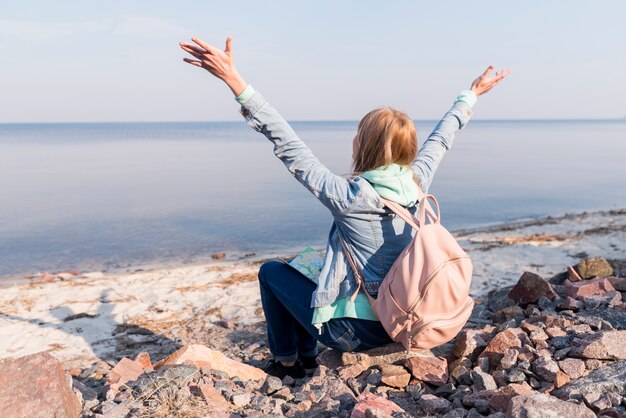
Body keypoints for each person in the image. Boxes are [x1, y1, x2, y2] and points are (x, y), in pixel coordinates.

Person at [179, 36, 510, 379]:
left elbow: (288, 145)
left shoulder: (349, 197)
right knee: (309, 264)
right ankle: (304, 355)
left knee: (271, 273)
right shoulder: (417, 183)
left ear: (363, 145)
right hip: (408, 318)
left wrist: (235, 81)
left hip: (358, 333)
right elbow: (442, 139)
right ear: (408, 148)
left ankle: (287, 361)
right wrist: (470, 94)